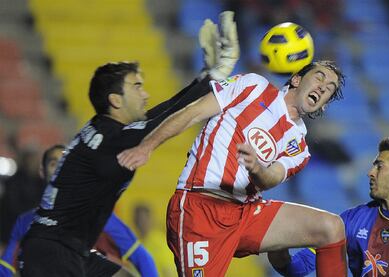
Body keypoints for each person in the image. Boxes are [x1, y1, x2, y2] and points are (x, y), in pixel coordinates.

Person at [18, 11, 239, 277]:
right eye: (136, 86)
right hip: (52, 253)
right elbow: (166, 119)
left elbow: (157, 115)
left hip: (66, 248)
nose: (145, 94)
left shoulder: (106, 130)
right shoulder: (113, 140)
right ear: (116, 100)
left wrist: (206, 78)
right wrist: (213, 79)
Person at [117, 57, 347, 276]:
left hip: (246, 212)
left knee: (331, 227)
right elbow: (192, 112)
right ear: (297, 79)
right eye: (319, 77)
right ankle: (287, 265)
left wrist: (257, 169)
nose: (323, 87)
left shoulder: (299, 145)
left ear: (324, 105)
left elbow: (272, 178)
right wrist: (147, 145)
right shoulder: (252, 86)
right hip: (199, 208)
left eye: (329, 89)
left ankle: (288, 266)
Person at [0, 144, 157, 277]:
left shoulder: (97, 216)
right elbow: (6, 268)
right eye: (54, 163)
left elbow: (141, 257)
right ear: (42, 171)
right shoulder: (25, 222)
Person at [268, 137, 389, 277]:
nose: (370, 173)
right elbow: (297, 268)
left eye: (379, 167)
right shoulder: (352, 220)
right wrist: (278, 246)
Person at [133, 204, 176, 277]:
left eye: (143, 220)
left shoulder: (158, 241)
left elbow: (168, 270)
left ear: (150, 219)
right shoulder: (136, 244)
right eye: (138, 220)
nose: (141, 223)